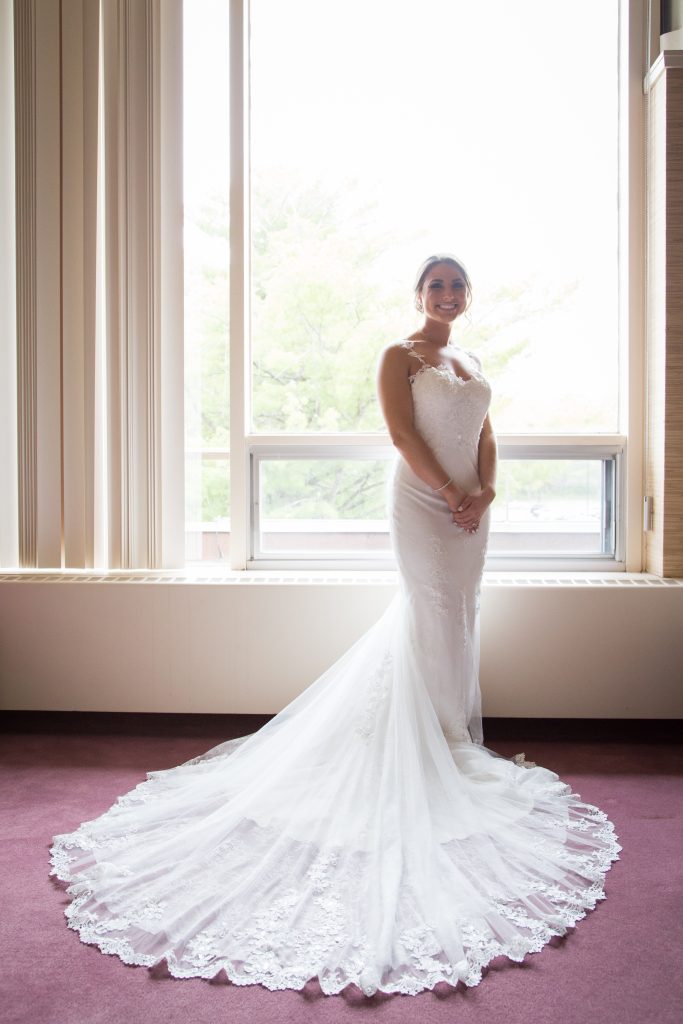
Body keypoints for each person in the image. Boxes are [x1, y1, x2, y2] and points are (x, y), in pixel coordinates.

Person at [49, 254, 621, 998]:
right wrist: (450, 490)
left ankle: (447, 735)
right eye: (435, 284)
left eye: (457, 284)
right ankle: (426, 741)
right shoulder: (399, 354)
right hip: (422, 503)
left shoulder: (469, 356)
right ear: (417, 294)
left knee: (461, 615)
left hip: (471, 509)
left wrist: (486, 490)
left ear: (467, 296)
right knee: (429, 609)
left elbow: (484, 429)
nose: (447, 294)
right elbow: (400, 436)